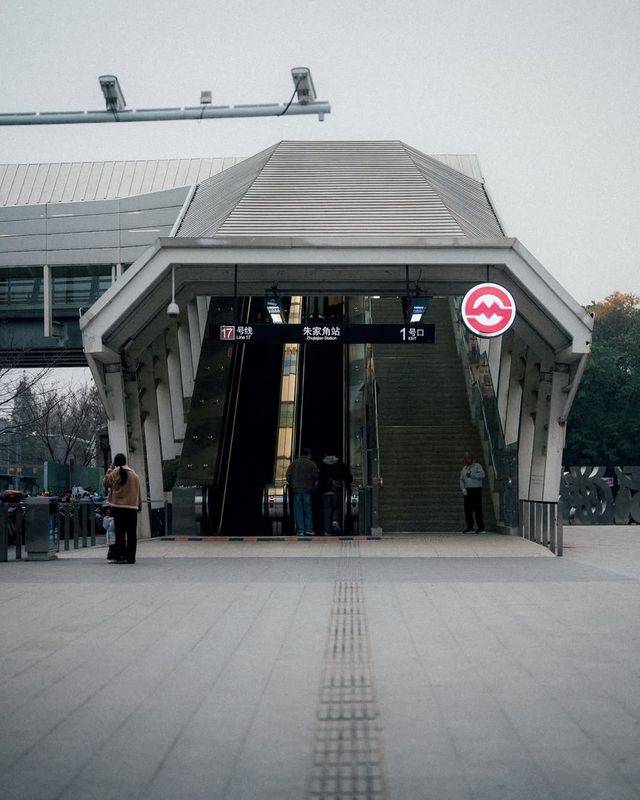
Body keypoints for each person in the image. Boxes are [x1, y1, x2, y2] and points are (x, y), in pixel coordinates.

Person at [103, 453, 142, 563]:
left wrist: (109, 470)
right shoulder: (135, 475)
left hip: (118, 507)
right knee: (131, 533)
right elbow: (138, 492)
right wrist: (139, 506)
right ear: (125, 461)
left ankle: (121, 555)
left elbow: (106, 483)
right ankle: (131, 557)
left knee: (119, 532)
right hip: (132, 507)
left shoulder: (115, 472)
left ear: (115, 462)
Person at [285, 447, 319, 536]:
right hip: (308, 490)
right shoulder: (312, 464)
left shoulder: (293, 463)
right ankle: (309, 529)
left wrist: (292, 484)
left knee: (298, 510)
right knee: (308, 510)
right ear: (308, 455)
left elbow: (288, 475)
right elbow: (316, 476)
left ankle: (300, 530)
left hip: (296, 490)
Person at [318, 453, 352, 535]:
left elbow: (318, 477)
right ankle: (335, 520)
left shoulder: (322, 464)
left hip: (325, 492)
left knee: (327, 510)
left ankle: (327, 531)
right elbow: (349, 477)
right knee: (337, 508)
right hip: (337, 491)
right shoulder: (340, 464)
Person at [460, 452, 485, 533]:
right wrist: (463, 488)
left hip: (476, 490)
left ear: (472, 458)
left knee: (478, 510)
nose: (467, 460)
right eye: (465, 458)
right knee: (468, 510)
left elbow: (482, 475)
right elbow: (461, 479)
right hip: (468, 491)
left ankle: (481, 528)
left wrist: (472, 475)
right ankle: (470, 527)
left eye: (468, 458)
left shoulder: (477, 466)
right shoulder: (464, 469)